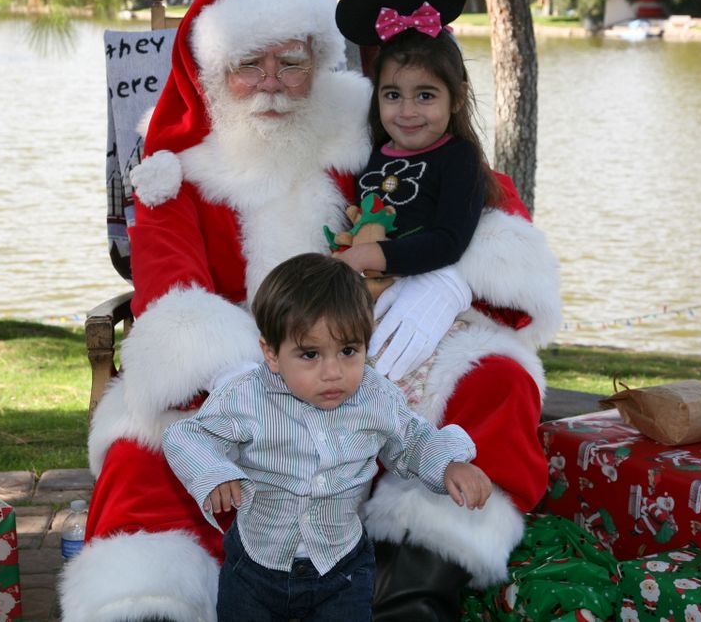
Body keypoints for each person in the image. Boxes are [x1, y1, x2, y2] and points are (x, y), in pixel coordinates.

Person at [59, 0, 561, 622]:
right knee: (145, 450)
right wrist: (273, 384)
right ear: (214, 71)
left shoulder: (364, 116)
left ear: (318, 58)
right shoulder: (175, 171)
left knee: (496, 379)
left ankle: (412, 584)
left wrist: (450, 277)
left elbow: (477, 186)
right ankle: (153, 605)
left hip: (375, 350)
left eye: (291, 61)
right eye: (247, 65)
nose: (270, 84)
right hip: (246, 361)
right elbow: (172, 297)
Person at [161, 253, 491, 621]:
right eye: (310, 354)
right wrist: (215, 471)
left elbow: (412, 439)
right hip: (256, 569)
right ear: (271, 353)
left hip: (341, 571)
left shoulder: (374, 396)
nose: (333, 372)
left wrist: (449, 464)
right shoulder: (247, 397)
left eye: (348, 351)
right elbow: (187, 435)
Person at [332, 0, 499, 402]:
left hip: (425, 305)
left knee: (400, 395)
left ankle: (415, 464)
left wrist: (370, 254)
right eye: (392, 95)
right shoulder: (369, 156)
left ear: (457, 97)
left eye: (425, 95)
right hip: (363, 303)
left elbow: (448, 240)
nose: (407, 111)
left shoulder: (457, 157)